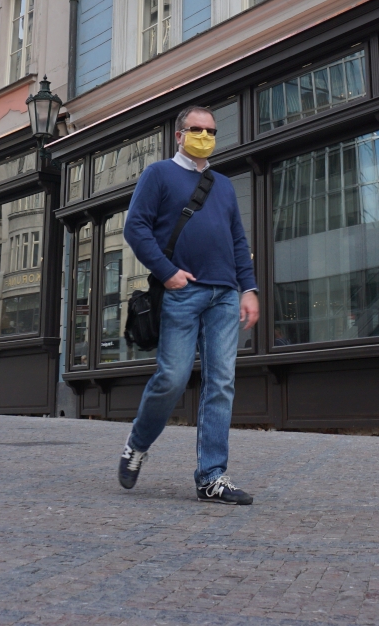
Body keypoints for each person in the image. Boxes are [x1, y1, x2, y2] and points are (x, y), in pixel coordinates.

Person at [119, 105, 259, 504]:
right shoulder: (159, 174)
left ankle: (212, 477)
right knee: (173, 379)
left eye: (211, 131)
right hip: (181, 292)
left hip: (224, 294)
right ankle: (137, 444)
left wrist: (249, 290)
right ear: (179, 135)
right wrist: (166, 272)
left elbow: (238, 242)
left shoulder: (223, 185)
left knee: (221, 384)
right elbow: (135, 226)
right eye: (196, 129)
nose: (204, 136)